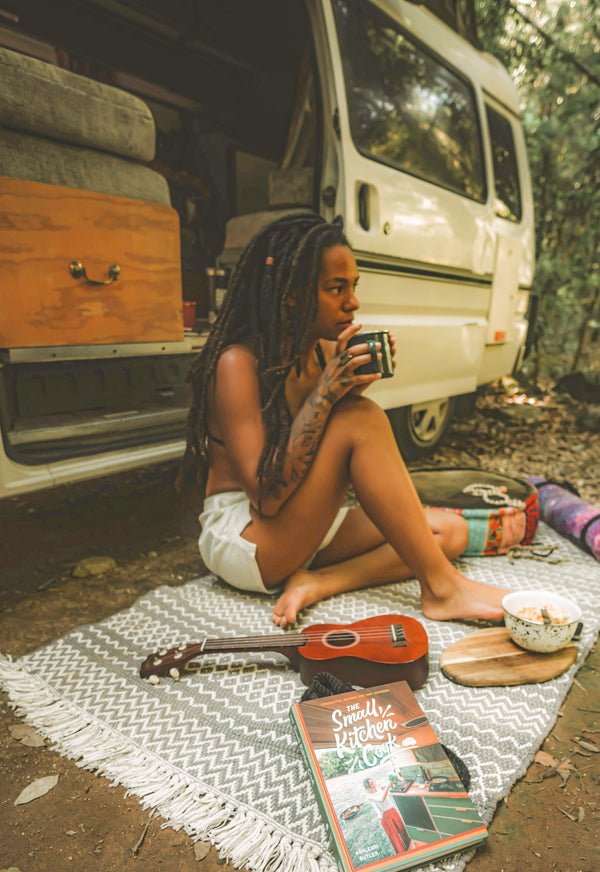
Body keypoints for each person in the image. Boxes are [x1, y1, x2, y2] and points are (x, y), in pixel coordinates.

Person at [179, 212, 507, 627]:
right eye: (336, 289)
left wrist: (342, 391)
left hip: (294, 523)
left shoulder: (322, 353)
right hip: (246, 538)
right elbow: (267, 496)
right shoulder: (237, 364)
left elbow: (319, 462)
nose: (352, 302)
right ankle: (445, 590)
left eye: (353, 287)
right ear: (292, 294)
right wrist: (330, 395)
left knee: (448, 532)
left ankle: (318, 582)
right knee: (360, 419)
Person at [362, 777, 411, 853]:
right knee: (394, 836)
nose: (374, 784)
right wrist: (387, 788)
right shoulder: (370, 796)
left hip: (392, 810)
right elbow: (381, 799)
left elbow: (386, 785)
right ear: (368, 787)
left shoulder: (378, 787)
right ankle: (402, 852)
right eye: (371, 784)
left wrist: (391, 782)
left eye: (373, 782)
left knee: (402, 829)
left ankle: (410, 846)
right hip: (384, 816)